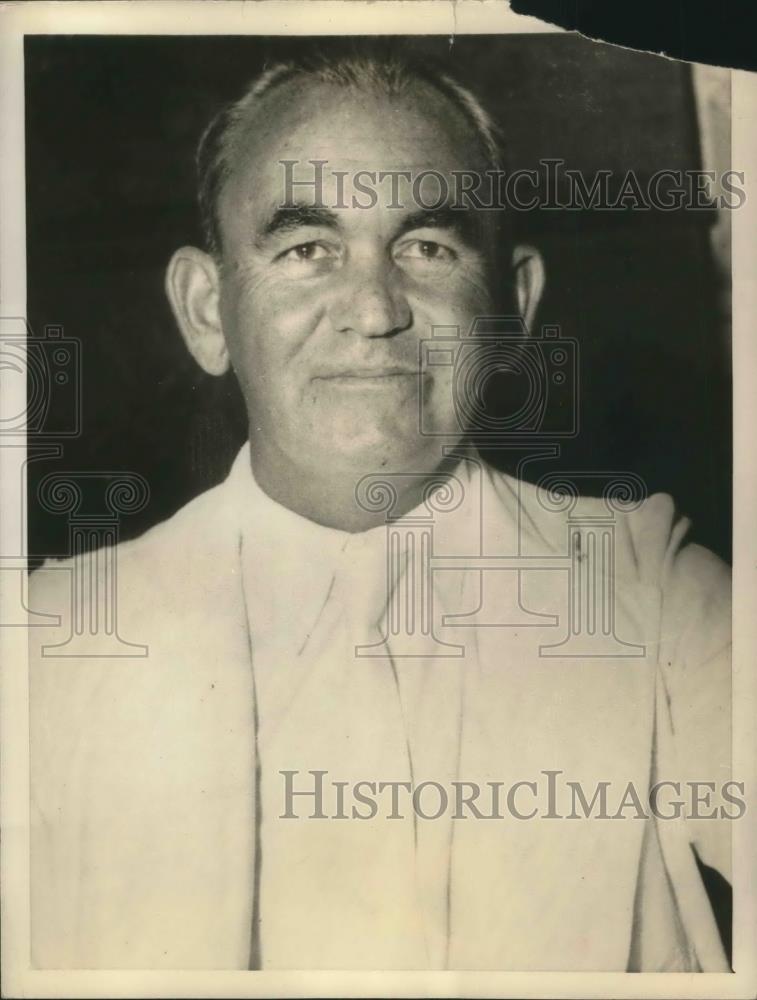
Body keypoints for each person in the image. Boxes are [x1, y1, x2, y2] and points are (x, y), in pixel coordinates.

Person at [28, 48, 732, 971]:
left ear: (510, 307)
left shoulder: (653, 591)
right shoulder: (44, 647)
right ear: (207, 311)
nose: (372, 308)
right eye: (305, 249)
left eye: (426, 248)